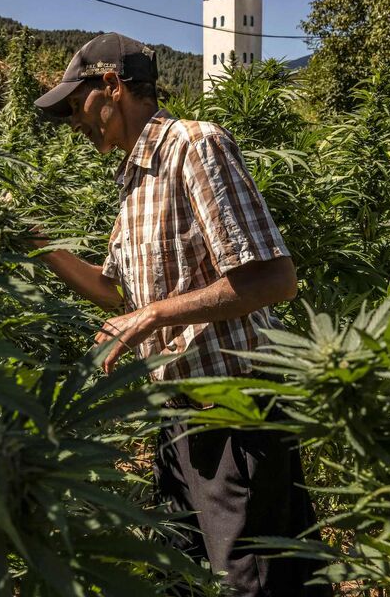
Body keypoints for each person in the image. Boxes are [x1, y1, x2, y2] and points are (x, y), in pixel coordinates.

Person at [29, 33, 333, 597]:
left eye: (77, 105)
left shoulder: (193, 145)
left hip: (233, 407)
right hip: (177, 410)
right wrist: (40, 246)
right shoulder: (134, 178)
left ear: (112, 87)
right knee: (189, 569)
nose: (74, 121)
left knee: (253, 578)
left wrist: (150, 317)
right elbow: (118, 294)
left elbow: (273, 279)